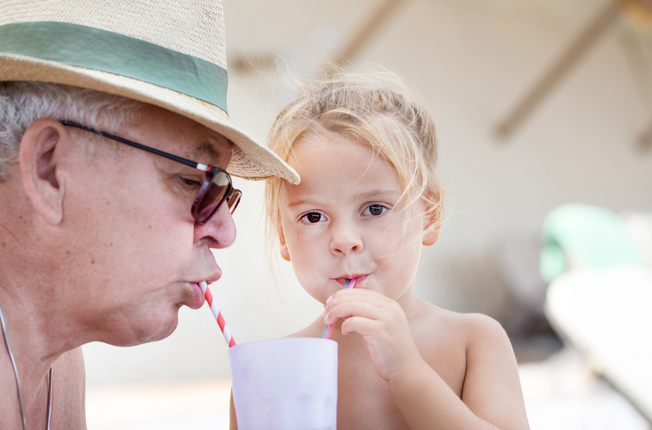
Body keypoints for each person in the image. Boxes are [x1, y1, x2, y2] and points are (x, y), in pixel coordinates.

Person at [0, 1, 299, 429]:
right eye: (195, 181)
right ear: (49, 169)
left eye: (224, 192)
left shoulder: (57, 365)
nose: (225, 230)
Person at [234, 68, 530, 429]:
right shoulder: (270, 372)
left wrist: (407, 371)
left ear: (429, 214)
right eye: (313, 216)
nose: (344, 240)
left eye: (375, 209)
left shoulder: (474, 341)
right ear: (283, 236)